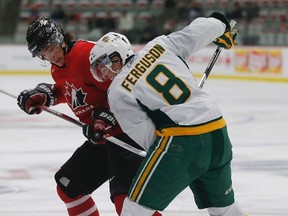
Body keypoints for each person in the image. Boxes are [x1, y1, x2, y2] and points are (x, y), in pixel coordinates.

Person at [89, 12, 246, 216]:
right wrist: (220, 25)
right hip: (218, 132)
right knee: (224, 209)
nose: (104, 74)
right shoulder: (160, 45)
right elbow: (200, 29)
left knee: (134, 210)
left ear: (115, 57)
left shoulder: (118, 91)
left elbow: (147, 136)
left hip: (182, 143)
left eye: (103, 67)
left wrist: (176, 163)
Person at [16, 17, 161, 216]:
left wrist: (104, 118)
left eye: (50, 49)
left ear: (59, 39)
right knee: (69, 186)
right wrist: (48, 95)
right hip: (102, 137)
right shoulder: (57, 67)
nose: (49, 57)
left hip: (128, 134)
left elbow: (124, 87)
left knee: (126, 203)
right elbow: (74, 90)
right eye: (42, 54)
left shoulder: (88, 54)